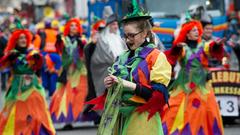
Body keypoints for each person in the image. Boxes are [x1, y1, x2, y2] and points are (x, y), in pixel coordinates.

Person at [88, 0, 172, 134]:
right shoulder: (122, 57)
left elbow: (159, 95)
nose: (127, 40)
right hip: (120, 117)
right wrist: (110, 84)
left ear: (144, 33)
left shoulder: (156, 57)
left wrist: (127, 84)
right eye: (125, 36)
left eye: (132, 36)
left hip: (142, 120)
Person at [162, 20, 224, 135]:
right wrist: (176, 48)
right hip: (184, 85)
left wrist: (216, 45)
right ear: (187, 34)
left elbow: (211, 48)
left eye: (197, 30)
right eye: (193, 30)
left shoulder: (204, 45)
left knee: (208, 111)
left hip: (202, 85)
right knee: (175, 109)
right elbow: (171, 56)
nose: (197, 32)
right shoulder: (183, 48)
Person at [0, 29, 55, 134]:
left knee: (37, 115)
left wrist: (38, 59)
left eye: (25, 38)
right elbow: (2, 68)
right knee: (17, 117)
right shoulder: (12, 54)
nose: (23, 40)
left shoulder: (33, 52)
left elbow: (39, 69)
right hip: (17, 90)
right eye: (20, 38)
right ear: (15, 40)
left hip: (33, 88)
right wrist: (8, 59)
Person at [49, 18, 88, 127]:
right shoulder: (63, 39)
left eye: (76, 25)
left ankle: (89, 115)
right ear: (68, 28)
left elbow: (85, 52)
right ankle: (68, 120)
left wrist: (82, 45)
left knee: (82, 93)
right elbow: (59, 49)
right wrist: (58, 41)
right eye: (72, 25)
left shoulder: (83, 39)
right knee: (66, 94)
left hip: (80, 71)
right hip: (67, 71)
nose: (74, 27)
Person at [90, 14, 128, 97]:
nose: (116, 26)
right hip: (107, 72)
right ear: (108, 26)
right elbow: (102, 58)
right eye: (113, 24)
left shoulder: (119, 39)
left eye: (116, 24)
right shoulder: (103, 40)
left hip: (122, 72)